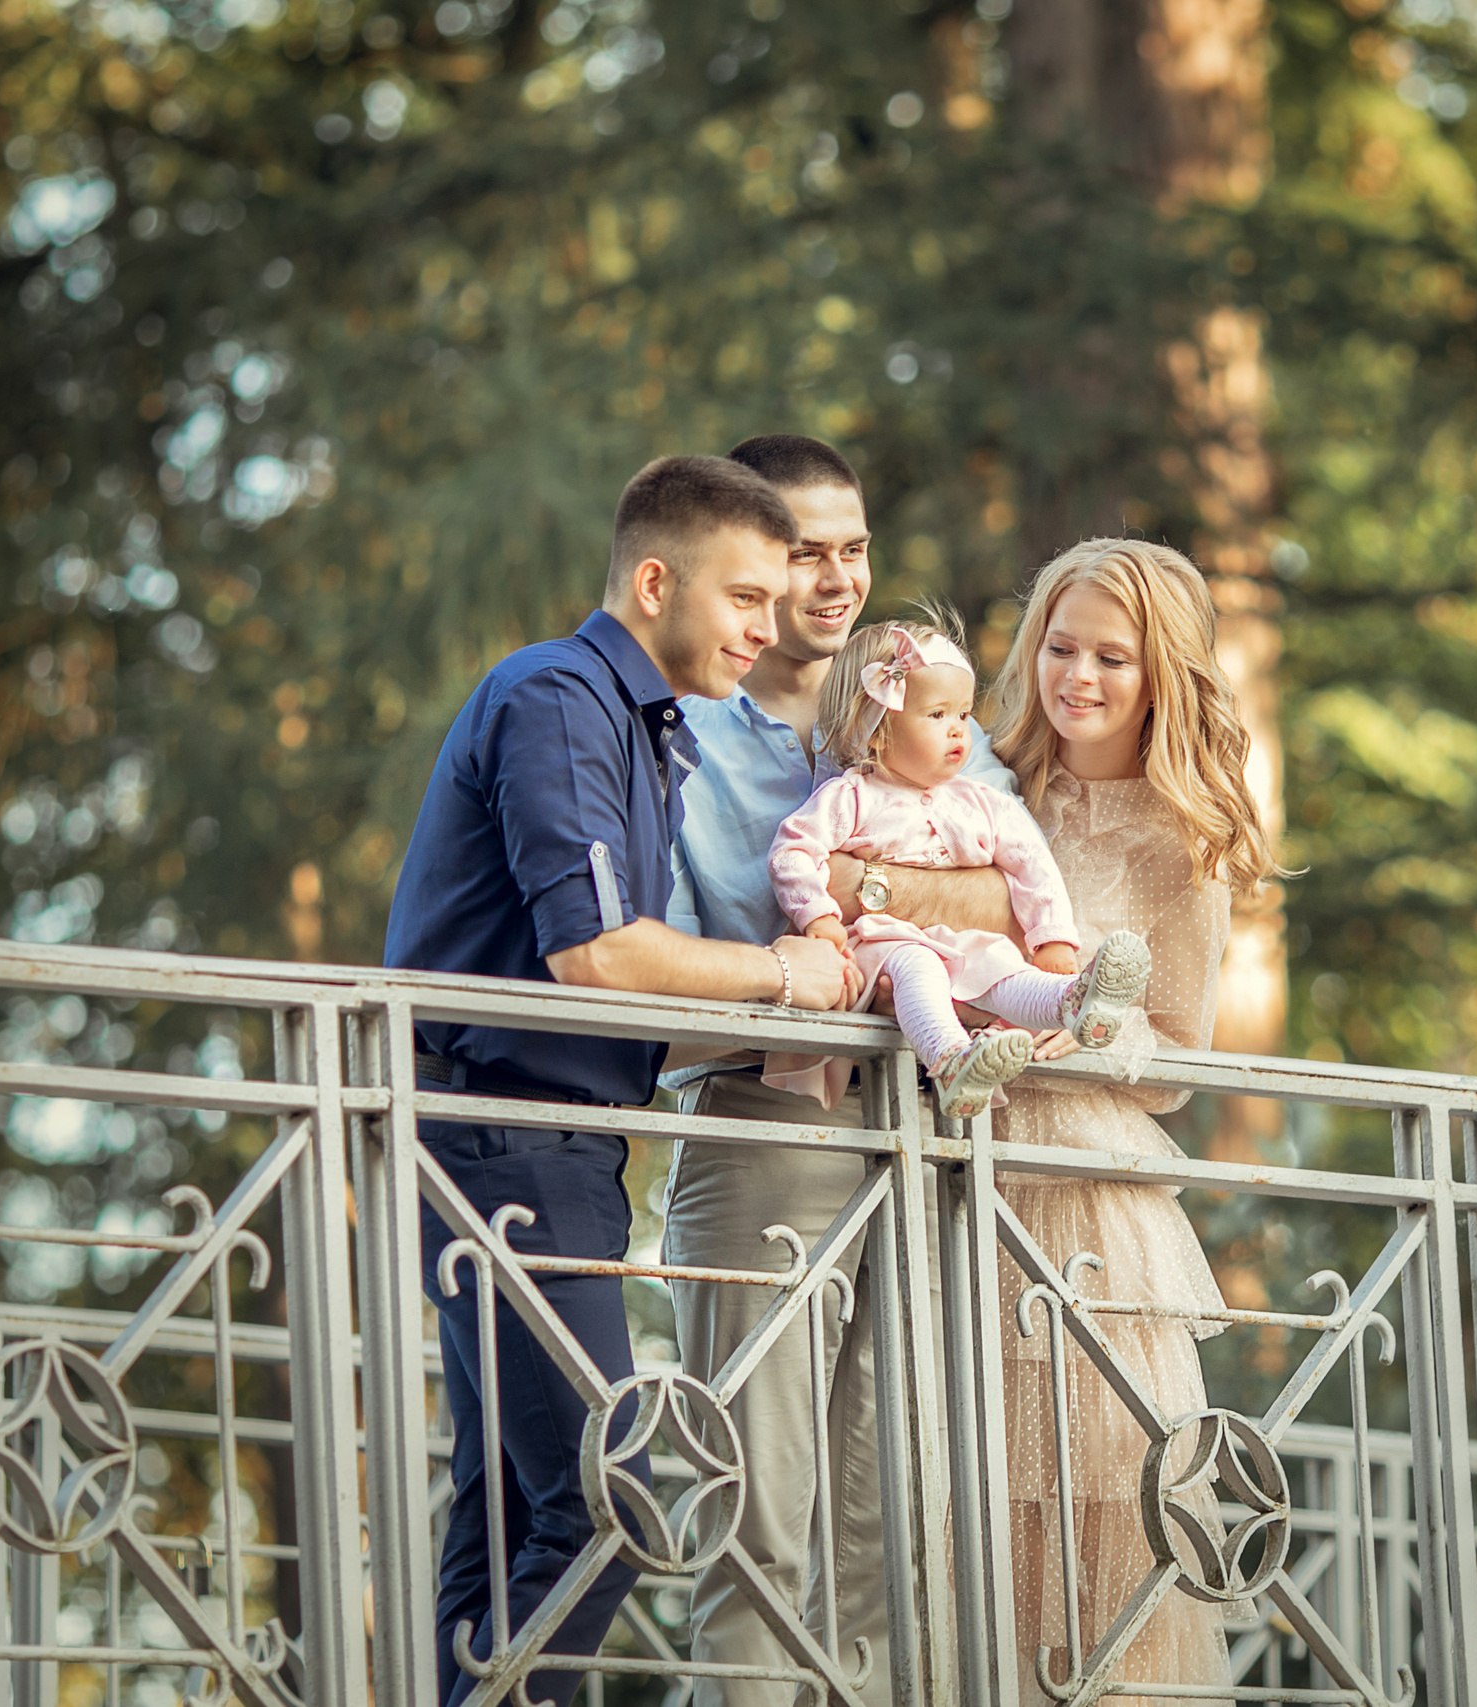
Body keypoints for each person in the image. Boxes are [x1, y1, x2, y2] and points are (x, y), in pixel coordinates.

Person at [383, 454, 858, 1707]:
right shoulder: (559, 697)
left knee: (506, 1515)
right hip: (508, 1140)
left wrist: (805, 1007)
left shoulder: (640, 728)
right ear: (656, 582)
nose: (771, 627)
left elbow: (623, 1002)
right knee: (621, 1494)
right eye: (747, 599)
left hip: (554, 1140)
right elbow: (598, 958)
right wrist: (783, 976)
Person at [659, 434, 1027, 1707]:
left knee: (886, 1523)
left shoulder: (925, 709)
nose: (833, 579)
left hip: (921, 1135)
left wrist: (864, 888)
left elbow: (1015, 893)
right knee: (757, 1520)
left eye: (854, 549)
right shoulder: (687, 739)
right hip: (765, 1125)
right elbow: (671, 954)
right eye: (803, 553)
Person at [982, 538, 1282, 1702]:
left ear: (1160, 674)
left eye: (1113, 656)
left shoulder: (1180, 838)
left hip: (1087, 1200)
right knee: (962, 1508)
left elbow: (1174, 1058)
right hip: (956, 1172)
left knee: (1099, 1514)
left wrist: (1078, 1040)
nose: (1080, 677)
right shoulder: (986, 790)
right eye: (1061, 647)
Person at [768, 615, 1153, 1117]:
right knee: (918, 964)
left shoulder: (980, 802)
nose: (959, 730)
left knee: (996, 961)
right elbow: (793, 851)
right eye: (937, 715)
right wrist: (817, 916)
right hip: (876, 943)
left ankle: (1071, 1003)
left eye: (964, 713)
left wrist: (1053, 938)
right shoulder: (850, 798)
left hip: (955, 940)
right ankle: (950, 1061)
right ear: (876, 729)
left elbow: (1031, 867)